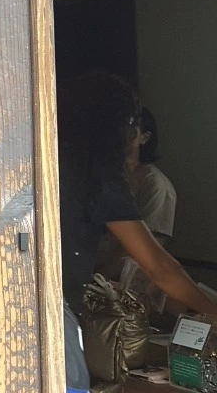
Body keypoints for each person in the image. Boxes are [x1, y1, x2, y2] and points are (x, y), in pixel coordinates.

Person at [58, 71, 217, 392]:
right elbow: (158, 266)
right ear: (121, 128)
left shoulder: (47, 160)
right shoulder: (97, 175)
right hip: (51, 310)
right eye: (133, 123)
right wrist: (212, 311)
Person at [130, 107, 177, 245]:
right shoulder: (103, 176)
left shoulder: (155, 184)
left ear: (144, 137)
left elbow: (148, 246)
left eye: (129, 127)